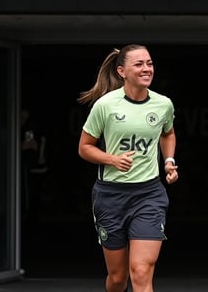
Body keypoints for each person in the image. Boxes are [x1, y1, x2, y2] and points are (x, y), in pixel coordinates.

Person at [77, 44, 179, 292]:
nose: (147, 69)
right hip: (111, 195)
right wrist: (112, 159)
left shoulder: (163, 104)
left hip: (149, 195)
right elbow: (84, 147)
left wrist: (168, 161)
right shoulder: (105, 105)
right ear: (122, 71)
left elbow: (168, 133)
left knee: (141, 271)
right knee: (118, 278)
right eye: (139, 64)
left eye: (150, 63)